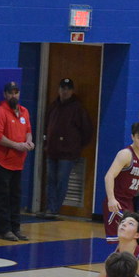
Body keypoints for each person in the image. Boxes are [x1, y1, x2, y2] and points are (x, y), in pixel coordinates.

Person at [0, 82, 34, 241]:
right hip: (1, 162)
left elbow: (28, 131)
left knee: (16, 197)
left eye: (16, 92)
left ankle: (17, 228)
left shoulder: (24, 112)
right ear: (5, 94)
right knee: (3, 197)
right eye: (10, 93)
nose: (14, 96)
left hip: (18, 163)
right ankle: (5, 229)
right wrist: (16, 145)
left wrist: (29, 142)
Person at [41, 78, 93, 221]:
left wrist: (75, 146)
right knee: (50, 180)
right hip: (52, 151)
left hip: (68, 154)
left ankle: (54, 209)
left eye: (68, 89)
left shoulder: (78, 109)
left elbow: (87, 131)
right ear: (59, 90)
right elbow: (46, 125)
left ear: (72, 91)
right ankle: (49, 208)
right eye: (63, 88)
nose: (65, 91)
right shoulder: (53, 106)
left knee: (61, 181)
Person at [103, 122, 139, 244]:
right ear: (132, 137)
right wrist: (111, 199)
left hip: (129, 202)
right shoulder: (125, 154)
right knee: (123, 240)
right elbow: (109, 176)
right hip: (117, 203)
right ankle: (117, 262)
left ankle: (124, 262)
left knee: (129, 241)